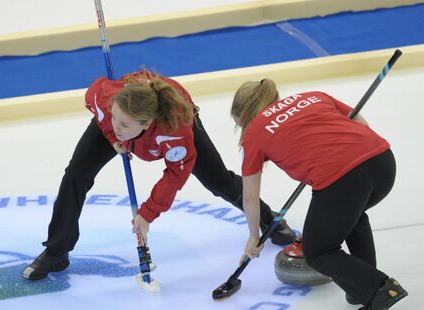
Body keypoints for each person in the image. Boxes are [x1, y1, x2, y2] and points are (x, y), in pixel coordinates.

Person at [22, 70, 296, 281]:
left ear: (148, 124)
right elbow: (101, 111)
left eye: (124, 125)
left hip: (176, 117)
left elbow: (175, 176)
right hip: (126, 109)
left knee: (217, 181)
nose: (116, 126)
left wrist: (147, 213)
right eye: (114, 118)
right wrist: (112, 134)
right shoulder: (106, 99)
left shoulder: (176, 132)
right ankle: (57, 251)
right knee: (76, 174)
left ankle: (268, 218)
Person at [230, 79, 408, 310]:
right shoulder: (313, 96)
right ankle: (362, 287)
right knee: (352, 217)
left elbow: (250, 196)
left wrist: (254, 238)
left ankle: (379, 289)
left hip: (344, 178)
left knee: (317, 249)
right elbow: (360, 123)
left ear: (247, 115)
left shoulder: (255, 132)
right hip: (382, 162)